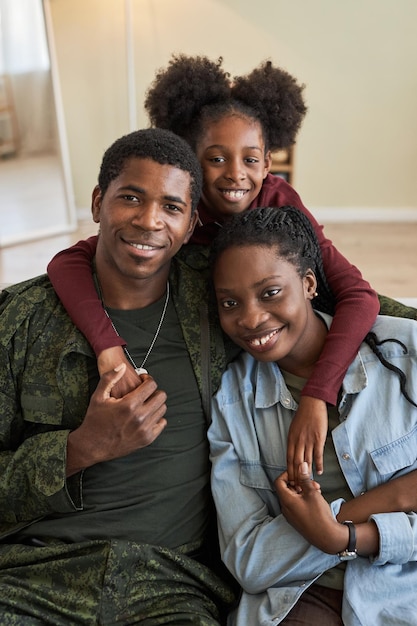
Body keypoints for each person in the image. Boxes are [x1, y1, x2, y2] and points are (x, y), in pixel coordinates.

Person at [46, 54, 417, 487]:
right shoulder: (178, 209)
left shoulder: (278, 200)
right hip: (239, 317)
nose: (236, 175)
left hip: (309, 305)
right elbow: (67, 261)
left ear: (268, 161)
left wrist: (318, 393)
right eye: (217, 159)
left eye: (251, 160)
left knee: (399, 328)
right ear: (192, 157)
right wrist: (109, 347)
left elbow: (358, 295)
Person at [0, 128, 239, 624]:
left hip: (171, 584)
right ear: (97, 203)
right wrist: (82, 448)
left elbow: (311, 297)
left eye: (171, 207)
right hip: (32, 576)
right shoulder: (19, 321)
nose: (149, 220)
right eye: (131, 197)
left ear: (193, 223)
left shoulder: (223, 305)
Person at [208, 205, 417, 625]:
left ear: (307, 283)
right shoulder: (231, 399)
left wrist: (343, 534)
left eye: (270, 293)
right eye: (230, 302)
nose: (250, 318)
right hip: (301, 596)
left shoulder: (407, 351)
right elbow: (249, 563)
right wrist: (392, 500)